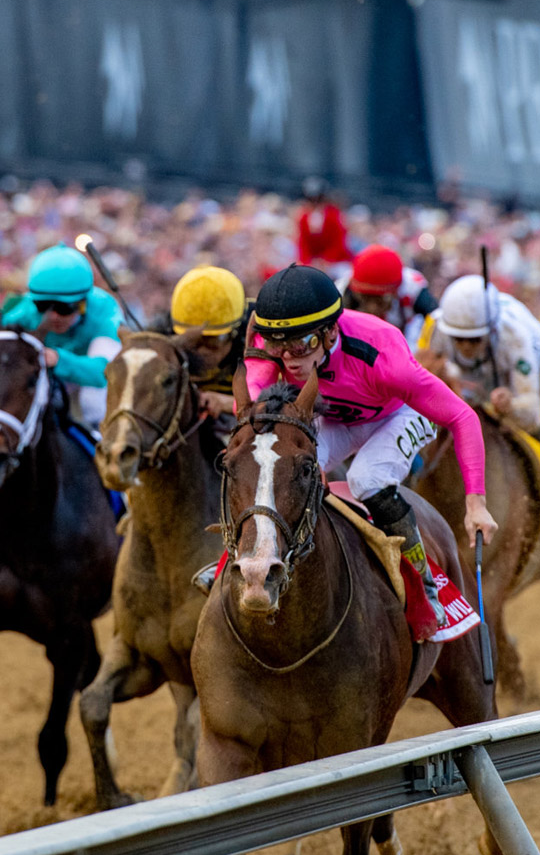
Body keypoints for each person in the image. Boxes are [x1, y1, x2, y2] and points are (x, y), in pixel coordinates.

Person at [242, 263, 497, 638]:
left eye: (301, 345)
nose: (289, 359)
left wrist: (475, 503)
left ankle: (423, 584)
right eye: (279, 346)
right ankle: (241, 565)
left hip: (397, 414)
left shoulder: (385, 359)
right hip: (338, 418)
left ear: (330, 333)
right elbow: (251, 411)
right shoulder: (273, 351)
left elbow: (462, 417)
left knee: (366, 479)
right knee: (278, 460)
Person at [422, 275, 540, 528]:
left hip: (509, 377)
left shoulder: (516, 338)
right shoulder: (435, 327)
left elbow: (530, 409)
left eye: (474, 340)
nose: (465, 347)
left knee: (535, 431)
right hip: (466, 381)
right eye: (458, 339)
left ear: (490, 330)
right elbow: (419, 374)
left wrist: (511, 405)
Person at [0, 244, 121, 427]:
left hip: (90, 380)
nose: (53, 316)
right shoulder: (23, 309)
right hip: (49, 380)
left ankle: (100, 440)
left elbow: (106, 372)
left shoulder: (104, 309)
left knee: (94, 398)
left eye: (64, 308)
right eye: (44, 306)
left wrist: (58, 359)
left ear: (83, 302)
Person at [168, 266, 253, 419]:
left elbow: (280, 402)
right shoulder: (163, 344)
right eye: (191, 342)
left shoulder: (259, 344)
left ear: (236, 332)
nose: (202, 352)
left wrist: (228, 403)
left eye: (213, 341)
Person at [341, 244, 438, 347]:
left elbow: (436, 318)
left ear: (396, 291)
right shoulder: (344, 291)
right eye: (366, 298)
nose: (372, 308)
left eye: (379, 300)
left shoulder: (413, 288)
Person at [296, 178, 352, 277]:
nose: (315, 203)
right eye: (311, 199)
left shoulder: (333, 215)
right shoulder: (304, 217)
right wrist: (307, 262)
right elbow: (303, 243)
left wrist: (326, 260)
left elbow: (339, 243)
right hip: (312, 263)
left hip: (335, 262)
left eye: (318, 199)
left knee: (344, 274)